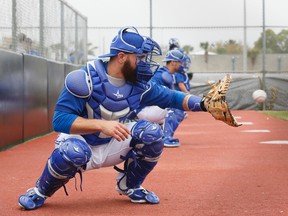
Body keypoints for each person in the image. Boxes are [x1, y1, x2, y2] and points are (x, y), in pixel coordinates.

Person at [18, 26, 210, 210]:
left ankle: (130, 185)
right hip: (80, 143)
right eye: (140, 57)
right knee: (73, 151)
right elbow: (59, 121)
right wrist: (101, 125)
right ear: (121, 57)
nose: (144, 63)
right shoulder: (84, 78)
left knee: (152, 134)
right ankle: (40, 191)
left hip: (112, 144)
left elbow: (173, 97)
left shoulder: (139, 84)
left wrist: (205, 104)